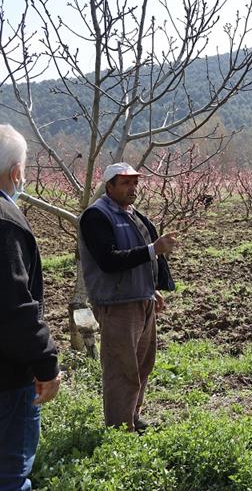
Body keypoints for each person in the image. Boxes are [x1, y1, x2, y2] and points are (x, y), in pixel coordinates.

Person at [78, 162, 176, 432]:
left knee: (143, 364)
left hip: (140, 300)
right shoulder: (96, 216)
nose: (132, 188)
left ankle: (132, 416)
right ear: (109, 186)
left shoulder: (132, 214)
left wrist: (151, 288)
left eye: (135, 182)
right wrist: (153, 249)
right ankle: (119, 430)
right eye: (125, 183)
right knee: (122, 369)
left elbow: (140, 259)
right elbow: (109, 260)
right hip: (117, 304)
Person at [0, 124, 61, 491]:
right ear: (16, 173)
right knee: (9, 475)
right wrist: (46, 363)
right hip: (6, 380)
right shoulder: (5, 223)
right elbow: (14, 306)